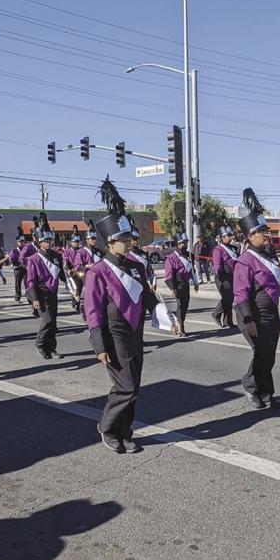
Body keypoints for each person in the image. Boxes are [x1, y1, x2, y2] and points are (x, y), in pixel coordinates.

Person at [86, 178, 181, 453]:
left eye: (130, 239)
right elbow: (92, 311)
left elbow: (150, 297)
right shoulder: (98, 271)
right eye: (124, 240)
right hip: (113, 334)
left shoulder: (137, 267)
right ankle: (107, 427)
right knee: (125, 386)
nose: (130, 244)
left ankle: (125, 431)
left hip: (135, 331)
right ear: (111, 242)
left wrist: (169, 317)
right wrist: (99, 346)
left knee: (134, 387)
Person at [232, 189, 280, 410]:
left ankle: (264, 393)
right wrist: (248, 319)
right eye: (262, 232)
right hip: (253, 315)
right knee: (262, 354)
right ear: (251, 236)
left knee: (269, 355)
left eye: (266, 231)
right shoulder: (245, 261)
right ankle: (256, 389)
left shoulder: (271, 256)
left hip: (272, 314)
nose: (267, 235)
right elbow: (241, 294)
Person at [25, 213, 66, 360]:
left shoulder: (56, 256)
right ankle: (40, 344)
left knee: (53, 322)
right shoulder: (34, 259)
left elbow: (62, 274)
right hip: (40, 293)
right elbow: (30, 281)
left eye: (50, 239)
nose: (49, 242)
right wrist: (34, 298)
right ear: (40, 243)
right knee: (47, 320)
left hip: (52, 293)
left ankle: (52, 348)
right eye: (45, 240)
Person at [163, 234, 201, 334]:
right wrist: (172, 288)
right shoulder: (171, 257)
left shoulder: (190, 255)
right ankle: (180, 327)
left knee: (185, 305)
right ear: (178, 244)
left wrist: (196, 282)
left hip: (186, 284)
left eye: (186, 242)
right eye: (182, 242)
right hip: (177, 284)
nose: (185, 244)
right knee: (181, 305)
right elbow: (169, 274)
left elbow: (192, 270)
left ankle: (177, 324)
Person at [210, 226, 239, 329]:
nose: (231, 238)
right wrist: (223, 279)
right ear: (222, 237)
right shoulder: (218, 250)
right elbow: (218, 267)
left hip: (232, 277)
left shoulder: (233, 248)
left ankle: (228, 321)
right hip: (222, 277)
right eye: (229, 236)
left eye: (231, 235)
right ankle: (216, 314)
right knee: (227, 298)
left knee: (230, 299)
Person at [8, 227, 29, 303]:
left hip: (25, 269)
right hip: (17, 269)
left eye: (23, 241)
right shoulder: (14, 250)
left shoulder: (27, 250)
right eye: (20, 241)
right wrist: (19, 263)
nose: (21, 243)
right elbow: (12, 260)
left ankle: (29, 298)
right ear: (17, 242)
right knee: (17, 284)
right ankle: (17, 298)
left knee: (27, 283)